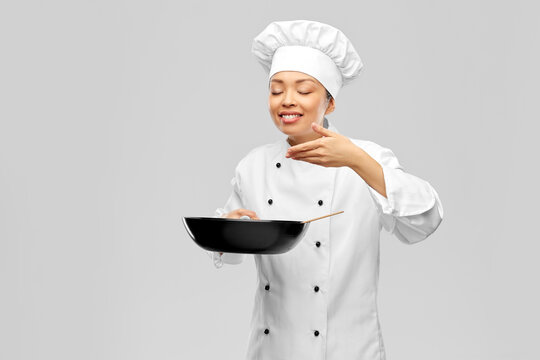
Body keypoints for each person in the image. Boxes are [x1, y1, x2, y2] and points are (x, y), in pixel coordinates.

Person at [205, 20, 444, 360]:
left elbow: (426, 219)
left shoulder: (367, 157)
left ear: (329, 103)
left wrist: (356, 161)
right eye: (276, 90)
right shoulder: (253, 166)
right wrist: (230, 227)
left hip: (347, 349)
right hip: (272, 348)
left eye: (303, 91)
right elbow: (230, 254)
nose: (287, 100)